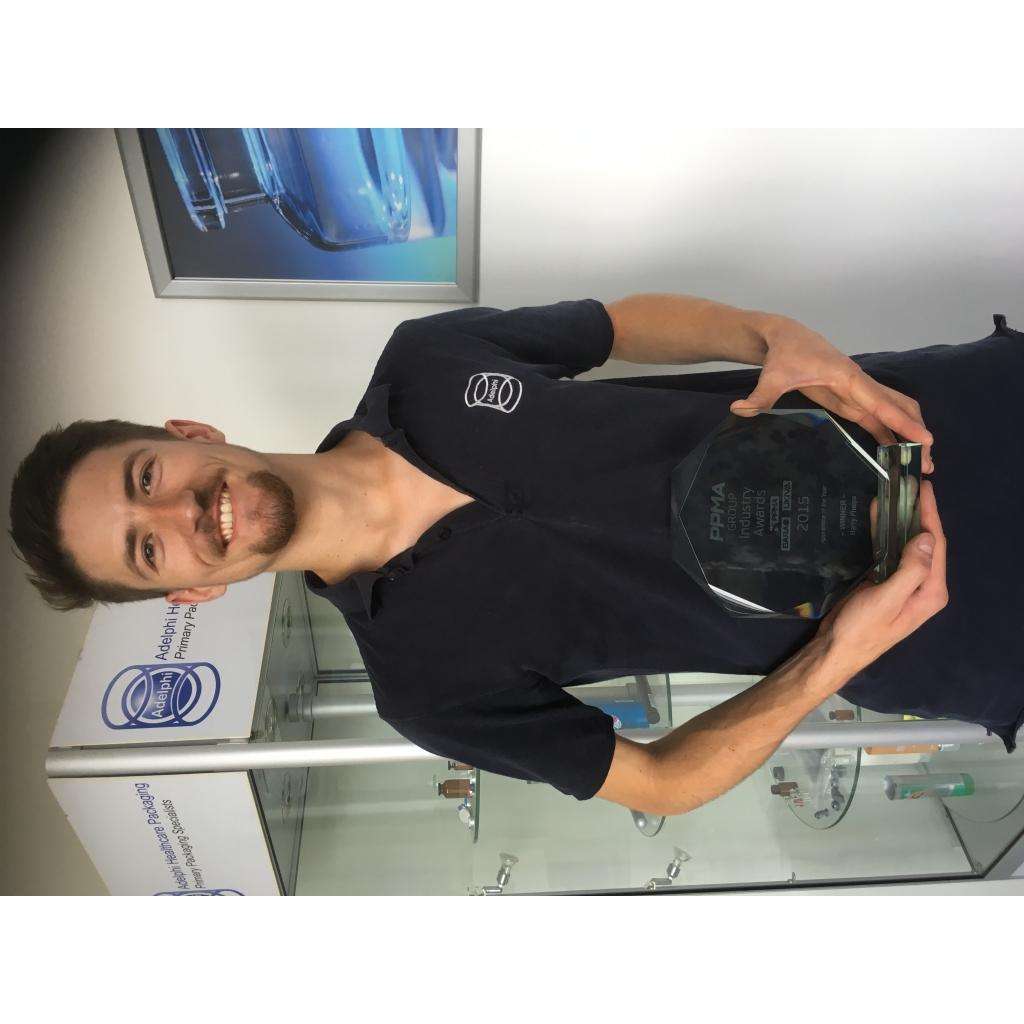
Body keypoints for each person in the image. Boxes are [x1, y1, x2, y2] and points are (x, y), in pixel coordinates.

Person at [10, 294, 1021, 815]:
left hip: (945, 418)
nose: (187, 512)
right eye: (149, 548)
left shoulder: (422, 362)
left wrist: (771, 334)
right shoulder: (424, 690)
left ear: (187, 434)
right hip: (959, 622)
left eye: (148, 476)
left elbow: (614, 325)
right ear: (188, 592)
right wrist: (834, 662)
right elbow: (659, 783)